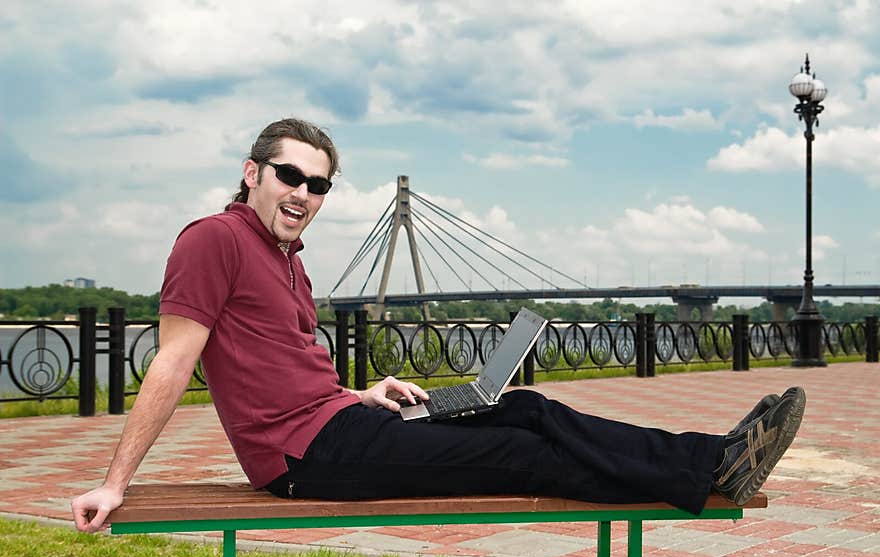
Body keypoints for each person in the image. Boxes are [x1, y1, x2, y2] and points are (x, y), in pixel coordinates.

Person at [71, 117, 806, 533]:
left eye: (318, 184)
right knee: (519, 453)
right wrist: (116, 483)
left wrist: (362, 392)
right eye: (289, 176)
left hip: (338, 424)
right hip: (306, 460)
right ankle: (708, 474)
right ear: (252, 171)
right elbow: (172, 363)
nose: (303, 193)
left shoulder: (289, 257)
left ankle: (715, 456)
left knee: (525, 404)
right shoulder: (213, 240)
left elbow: (284, 374)